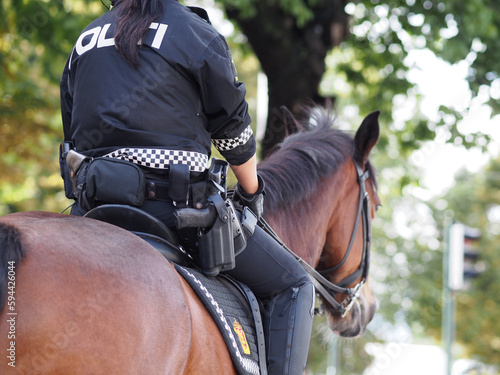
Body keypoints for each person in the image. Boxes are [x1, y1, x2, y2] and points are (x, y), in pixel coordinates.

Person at [60, 0, 314, 373]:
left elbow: (74, 137)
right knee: (294, 284)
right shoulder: (194, 32)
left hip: (92, 208)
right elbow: (232, 133)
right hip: (174, 212)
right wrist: (250, 189)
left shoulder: (85, 40)